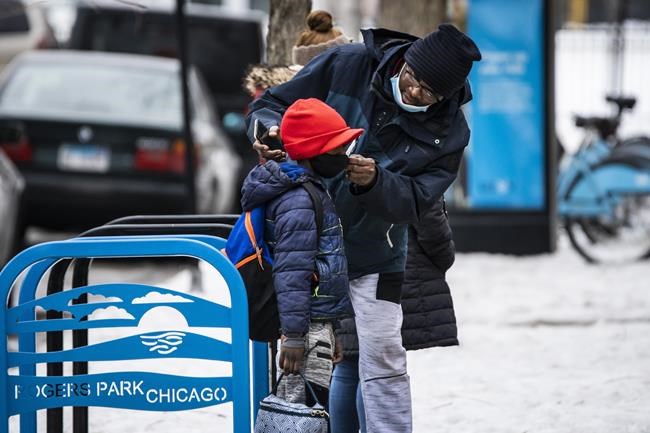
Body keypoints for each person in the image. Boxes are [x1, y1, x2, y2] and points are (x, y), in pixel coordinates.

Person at [247, 23, 481, 433]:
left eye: (428, 93)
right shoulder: (347, 63)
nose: (413, 93)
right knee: (319, 360)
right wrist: (269, 132)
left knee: (384, 356)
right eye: (412, 79)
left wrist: (376, 182)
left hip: (381, 253)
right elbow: (272, 104)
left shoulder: (450, 132)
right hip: (311, 245)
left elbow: (416, 201)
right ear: (404, 61)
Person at [240, 97, 363, 406]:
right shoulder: (298, 199)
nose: (342, 156)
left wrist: (331, 329)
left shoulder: (307, 188)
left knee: (309, 405)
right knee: (303, 409)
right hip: (305, 326)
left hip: (315, 322)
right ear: (312, 151)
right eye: (336, 148)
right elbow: (292, 272)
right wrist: (295, 337)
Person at [330, 198, 458, 433]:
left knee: (349, 363)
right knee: (377, 363)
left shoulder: (335, 164)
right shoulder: (403, 162)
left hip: (343, 261)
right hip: (391, 265)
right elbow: (430, 217)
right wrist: (443, 256)